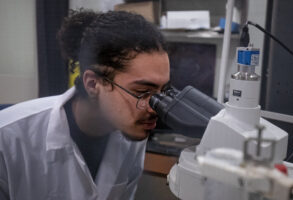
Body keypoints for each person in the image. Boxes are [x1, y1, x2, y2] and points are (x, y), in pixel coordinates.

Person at [0, 10, 170, 200]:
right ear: (93, 84)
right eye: (142, 92)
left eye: (162, 91)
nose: (155, 107)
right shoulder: (7, 138)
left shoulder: (132, 132)